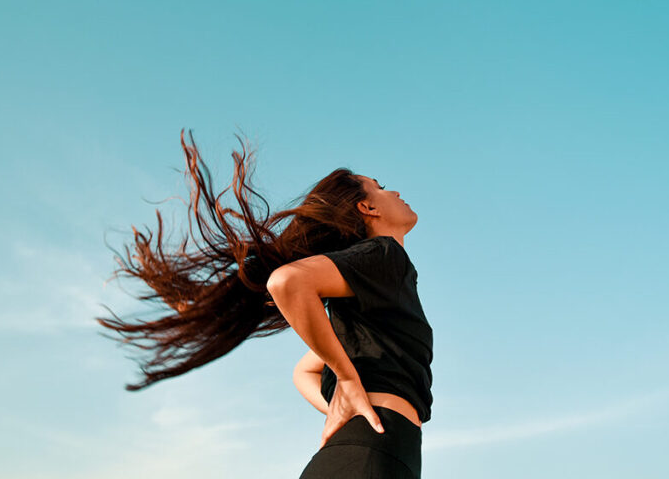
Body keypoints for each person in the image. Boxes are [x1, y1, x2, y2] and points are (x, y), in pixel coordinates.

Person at [97, 129, 432, 478]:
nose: (392, 191)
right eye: (379, 187)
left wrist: (345, 406)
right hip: (370, 456)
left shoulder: (377, 292)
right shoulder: (386, 255)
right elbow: (287, 281)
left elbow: (305, 371)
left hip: (376, 452)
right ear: (367, 207)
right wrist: (348, 383)